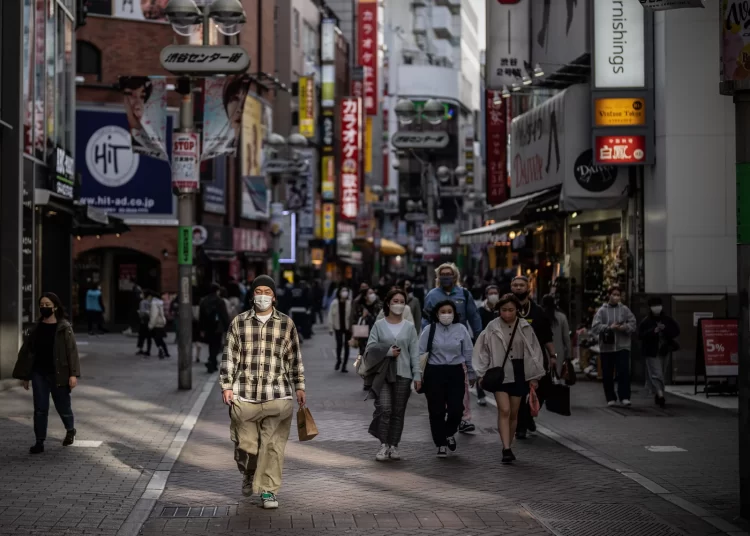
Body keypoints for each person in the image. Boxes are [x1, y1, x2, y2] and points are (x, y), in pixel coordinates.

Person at [220, 275, 306, 510]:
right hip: (245, 395)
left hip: (278, 394)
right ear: (252, 295)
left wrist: (299, 386)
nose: (263, 295)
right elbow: (229, 356)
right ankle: (248, 472)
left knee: (273, 447)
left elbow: (294, 357)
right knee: (246, 446)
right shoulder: (239, 322)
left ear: (274, 297)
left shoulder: (286, 324)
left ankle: (268, 491)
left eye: (267, 291)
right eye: (258, 290)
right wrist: (227, 385)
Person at [473, 294, 545, 464]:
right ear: (498, 310)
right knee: (504, 410)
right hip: (500, 372)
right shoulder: (492, 326)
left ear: (517, 310)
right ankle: (506, 448)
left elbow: (534, 351)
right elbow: (482, 350)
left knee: (514, 412)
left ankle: (509, 443)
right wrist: (481, 372)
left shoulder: (525, 326)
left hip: (520, 372)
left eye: (511, 310)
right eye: (503, 310)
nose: (507, 314)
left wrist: (535, 376)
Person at [13, 293, 80, 454]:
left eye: (47, 304)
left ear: (55, 306)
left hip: (59, 373)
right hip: (39, 373)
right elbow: (27, 353)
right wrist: (25, 375)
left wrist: (73, 374)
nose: (44, 307)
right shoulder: (36, 327)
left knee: (63, 406)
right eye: (41, 304)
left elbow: (72, 352)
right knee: (40, 408)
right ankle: (39, 441)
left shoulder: (64, 327)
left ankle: (70, 429)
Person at [422, 263, 482, 434]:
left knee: (461, 383)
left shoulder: (464, 294)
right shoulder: (432, 295)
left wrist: (480, 337)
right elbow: (425, 320)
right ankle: (443, 416)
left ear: (455, 276)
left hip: (459, 344)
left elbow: (474, 316)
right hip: (437, 345)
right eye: (443, 274)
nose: (446, 276)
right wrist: (424, 343)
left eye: (449, 274)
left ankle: (464, 418)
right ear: (438, 277)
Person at [363, 288, 420, 461]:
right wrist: (387, 352)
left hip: (404, 374)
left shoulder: (409, 328)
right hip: (384, 375)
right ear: (388, 303)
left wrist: (417, 375)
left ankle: (394, 445)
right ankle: (383, 444)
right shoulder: (379, 325)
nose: (399, 305)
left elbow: (414, 353)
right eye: (395, 301)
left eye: (402, 301)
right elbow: (370, 348)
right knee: (385, 408)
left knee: (398, 411)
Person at [419, 300, 475, 458]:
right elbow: (419, 352)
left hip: (455, 372)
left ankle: (449, 432)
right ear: (437, 314)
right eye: (442, 311)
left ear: (454, 313)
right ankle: (441, 443)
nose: (446, 314)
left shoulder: (461, 329)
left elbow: (468, 351)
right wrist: (417, 376)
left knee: (456, 409)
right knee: (436, 411)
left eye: (449, 311)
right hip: (434, 372)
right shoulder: (429, 330)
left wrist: (471, 373)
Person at [510, 276, 557, 439]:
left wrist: (553, 356)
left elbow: (547, 336)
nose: (518, 288)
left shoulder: (538, 311)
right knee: (519, 393)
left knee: (543, 389)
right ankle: (520, 427)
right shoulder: (506, 309)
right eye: (515, 285)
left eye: (521, 285)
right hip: (515, 358)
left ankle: (529, 417)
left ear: (528, 288)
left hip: (537, 358)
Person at [591, 286, 637, 407]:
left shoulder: (625, 310)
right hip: (607, 347)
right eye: (614, 294)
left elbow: (633, 324)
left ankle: (625, 397)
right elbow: (595, 327)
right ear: (609, 295)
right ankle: (610, 397)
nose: (616, 297)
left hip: (623, 346)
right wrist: (608, 327)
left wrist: (624, 327)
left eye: (618, 294)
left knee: (623, 372)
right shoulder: (602, 311)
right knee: (607, 373)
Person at [638, 297, 680, 408]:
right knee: (657, 373)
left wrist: (665, 329)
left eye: (658, 305)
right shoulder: (646, 321)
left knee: (662, 372)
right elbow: (640, 335)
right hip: (651, 351)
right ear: (650, 307)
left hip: (664, 350)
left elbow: (676, 331)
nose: (657, 307)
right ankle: (661, 395)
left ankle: (657, 392)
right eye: (654, 305)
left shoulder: (667, 320)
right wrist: (654, 331)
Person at [476, 285, 502, 406]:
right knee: (482, 369)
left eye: (495, 293)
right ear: (486, 295)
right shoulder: (481, 309)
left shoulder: (502, 308)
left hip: (499, 343)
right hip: (484, 342)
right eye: (491, 293)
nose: (493, 295)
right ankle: (480, 394)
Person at [199, 283, 230, 373]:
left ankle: (212, 361)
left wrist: (201, 328)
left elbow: (201, 316)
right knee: (216, 345)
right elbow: (224, 315)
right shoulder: (220, 301)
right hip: (218, 327)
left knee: (211, 344)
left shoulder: (203, 301)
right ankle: (211, 361)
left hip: (207, 326)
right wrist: (227, 326)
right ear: (217, 291)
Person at [542, 294, 572, 376]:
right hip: (558, 351)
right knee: (556, 374)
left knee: (544, 375)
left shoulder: (540, 316)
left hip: (543, 351)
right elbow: (566, 337)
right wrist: (569, 354)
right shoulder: (561, 317)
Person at [328, 287, 352, 372]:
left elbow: (352, 316)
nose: (344, 293)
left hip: (347, 328)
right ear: (339, 293)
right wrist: (330, 328)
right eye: (343, 291)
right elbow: (330, 315)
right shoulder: (334, 303)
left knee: (347, 346)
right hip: (337, 327)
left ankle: (344, 365)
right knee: (339, 345)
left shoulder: (350, 303)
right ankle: (338, 360)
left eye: (346, 291)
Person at [147, 290, 170, 359]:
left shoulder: (154, 304)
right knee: (160, 339)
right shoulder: (160, 303)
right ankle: (165, 352)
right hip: (161, 322)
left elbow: (154, 315)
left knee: (157, 339)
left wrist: (150, 325)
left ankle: (161, 350)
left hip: (156, 323)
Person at [136, 290, 152, 357]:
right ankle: (148, 350)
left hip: (143, 320)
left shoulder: (142, 302)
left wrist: (140, 313)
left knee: (141, 336)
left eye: (142, 294)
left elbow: (142, 312)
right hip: (150, 320)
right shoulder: (151, 302)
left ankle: (141, 349)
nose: (141, 295)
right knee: (149, 336)